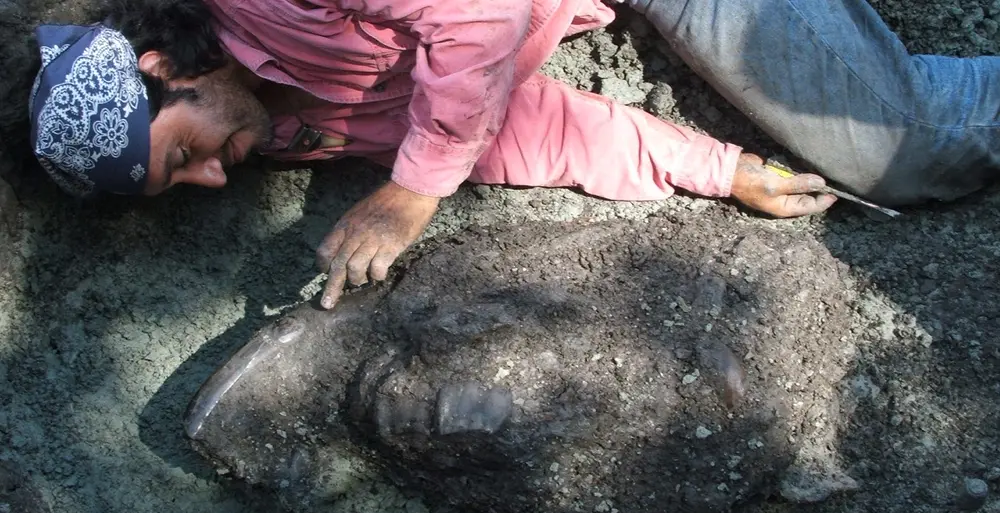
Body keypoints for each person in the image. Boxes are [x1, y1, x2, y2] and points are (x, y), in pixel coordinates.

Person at [14, 0, 1000, 311]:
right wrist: (718, 169)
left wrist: (413, 188)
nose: (215, 176)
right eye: (182, 185)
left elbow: (473, 16)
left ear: (158, 66)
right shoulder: (289, 132)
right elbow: (520, 126)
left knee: (909, 147)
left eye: (182, 149)